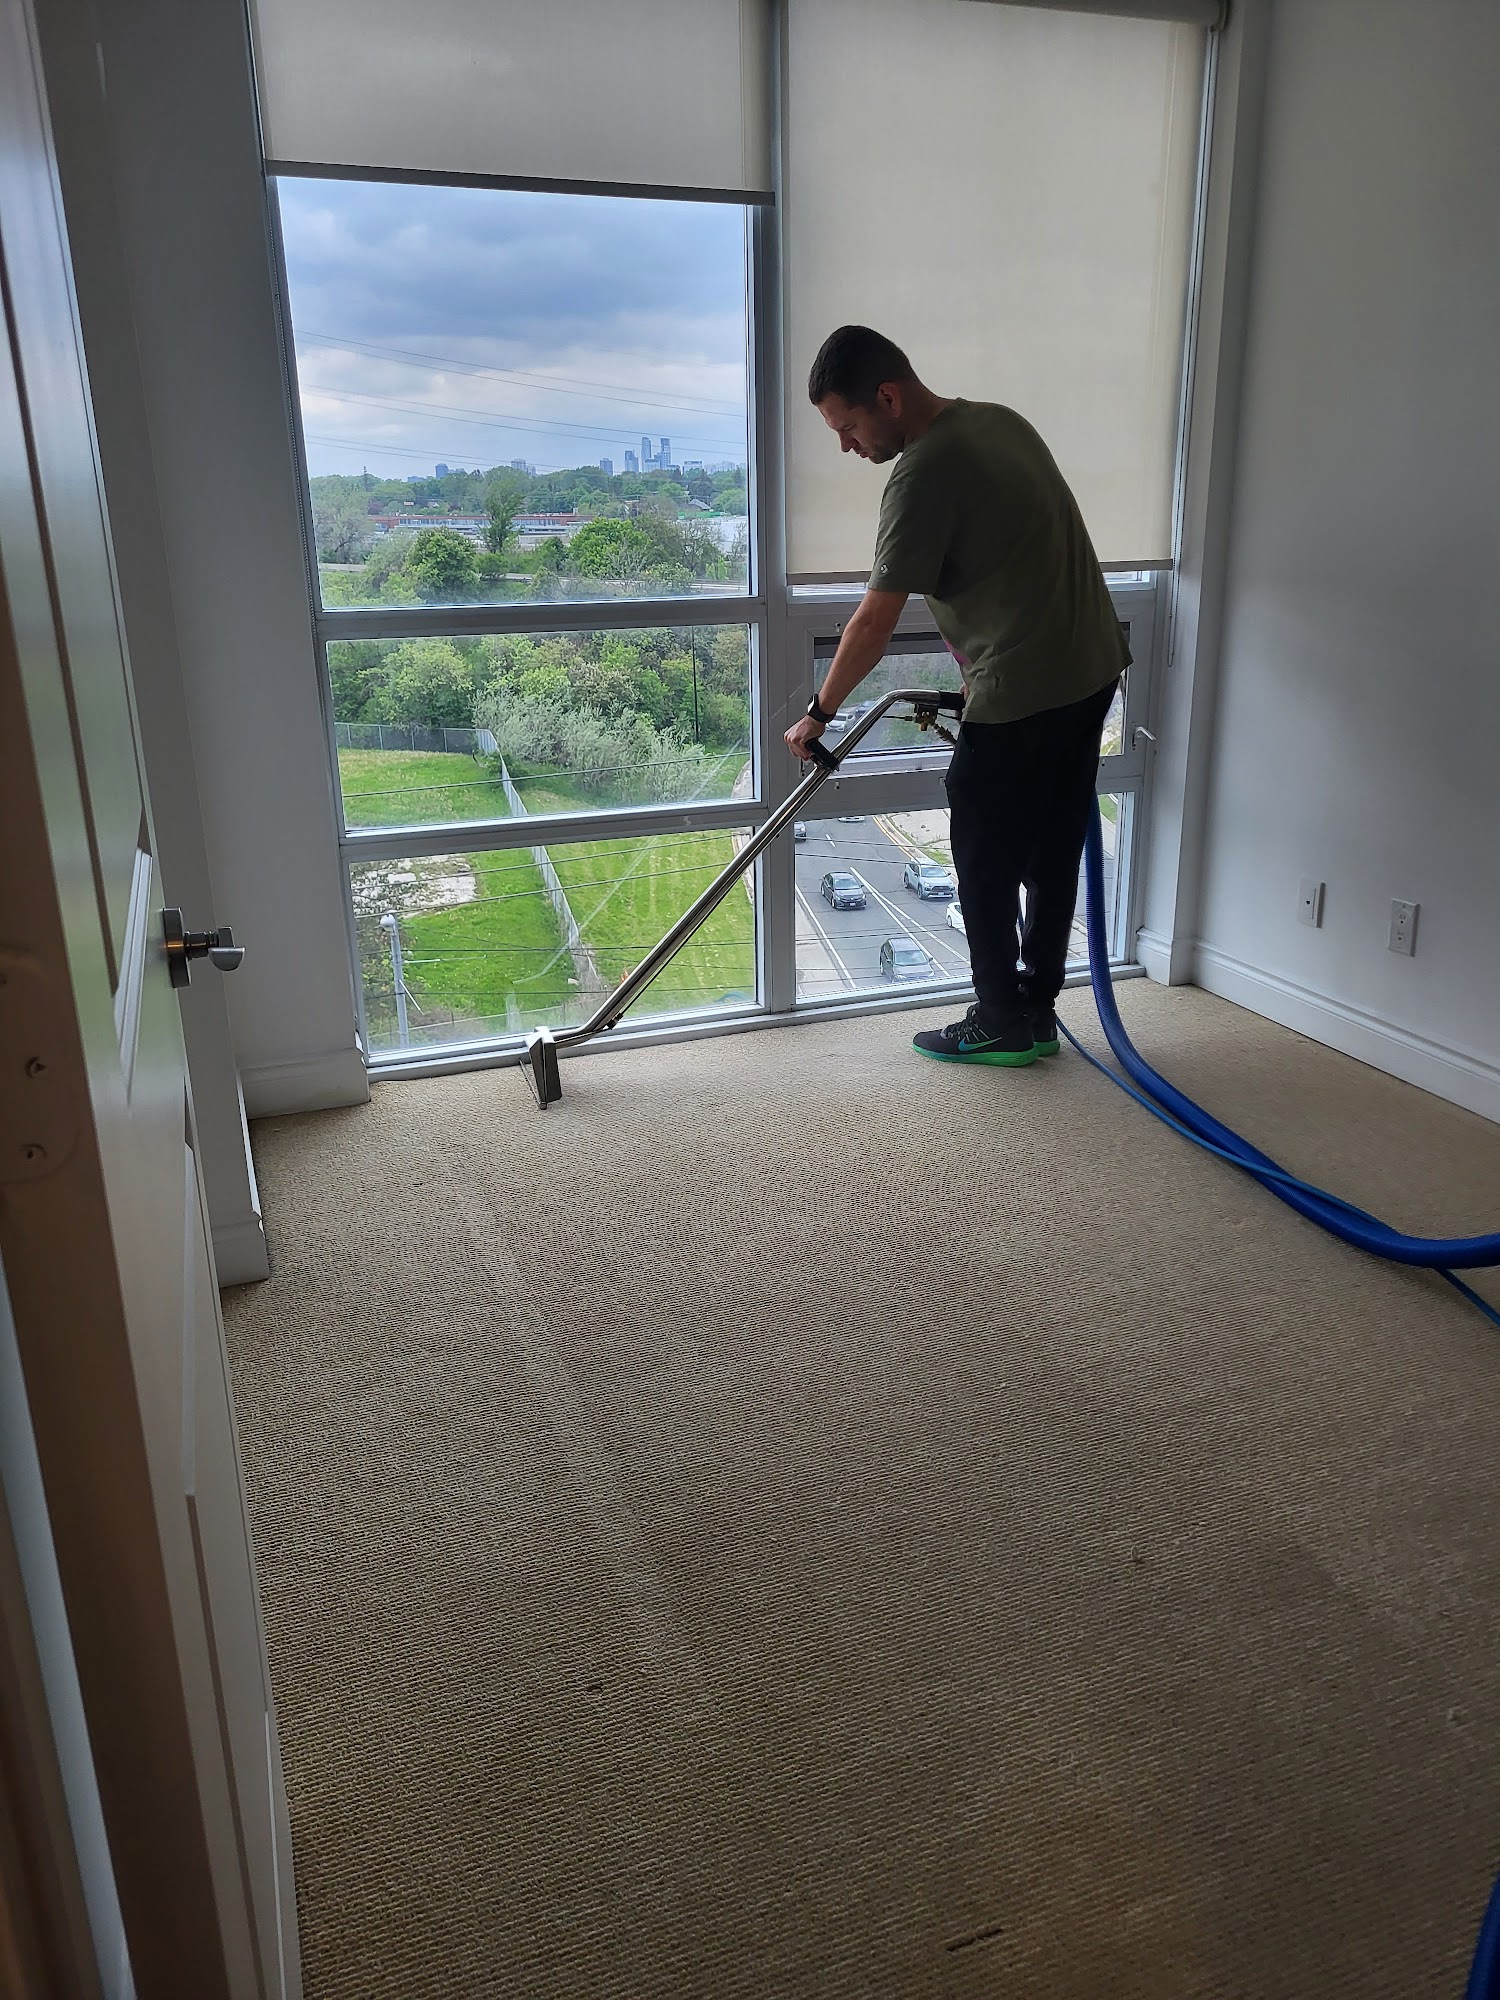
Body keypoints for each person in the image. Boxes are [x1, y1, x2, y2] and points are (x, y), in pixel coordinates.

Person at [784, 324, 1127, 1067]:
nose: (845, 446)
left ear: (887, 396)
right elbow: (1021, 556)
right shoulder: (997, 422)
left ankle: (999, 1018)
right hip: (1091, 666)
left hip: (1026, 685)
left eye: (847, 426)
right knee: (1053, 844)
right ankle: (1036, 1011)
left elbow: (874, 620)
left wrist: (818, 714)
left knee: (981, 850)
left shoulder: (922, 470)